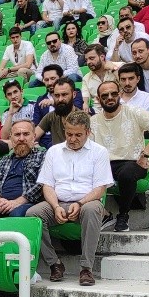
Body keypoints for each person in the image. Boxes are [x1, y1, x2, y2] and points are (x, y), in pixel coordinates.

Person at [26, 111, 114, 286]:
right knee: (32, 214)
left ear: (88, 132)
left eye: (78, 135)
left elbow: (100, 188)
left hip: (87, 201)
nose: (72, 139)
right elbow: (47, 185)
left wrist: (80, 203)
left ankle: (86, 268)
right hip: (58, 202)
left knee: (92, 209)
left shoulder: (99, 152)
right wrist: (55, 206)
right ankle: (54, 263)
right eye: (69, 134)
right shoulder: (53, 151)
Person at [90, 80, 149, 233]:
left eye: (114, 93)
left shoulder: (133, 112)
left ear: (120, 94)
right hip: (105, 165)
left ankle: (123, 216)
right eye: (105, 95)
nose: (110, 97)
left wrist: (146, 154)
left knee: (127, 173)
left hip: (133, 162)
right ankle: (104, 215)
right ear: (98, 99)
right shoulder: (93, 122)